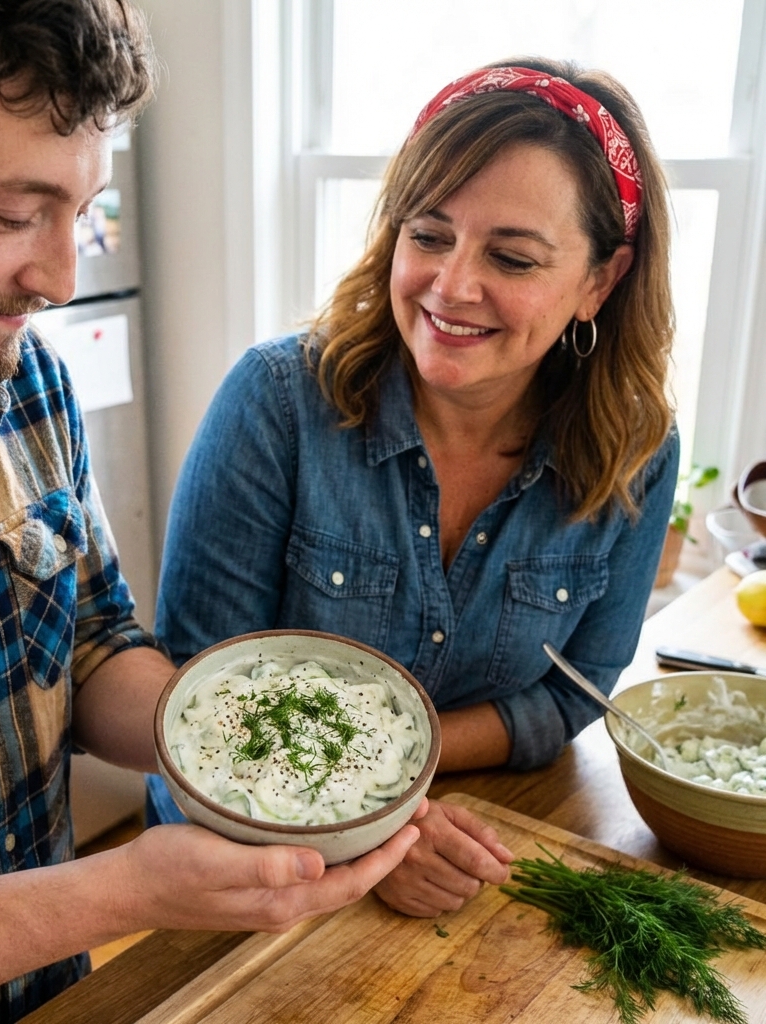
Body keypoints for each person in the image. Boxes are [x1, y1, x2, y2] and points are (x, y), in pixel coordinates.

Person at [0, 4, 431, 1022]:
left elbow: (96, 646)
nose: (62, 277)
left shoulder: (20, 379)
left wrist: (281, 760)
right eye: (14, 216)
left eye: (85, 210)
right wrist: (131, 888)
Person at [149, 60, 680, 917]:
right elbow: (191, 709)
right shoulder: (277, 403)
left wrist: (400, 800)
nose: (451, 285)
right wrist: (371, 828)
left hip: (471, 854)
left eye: (511, 256)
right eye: (429, 235)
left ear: (600, 281)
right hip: (245, 882)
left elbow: (573, 691)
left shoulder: (637, 453)